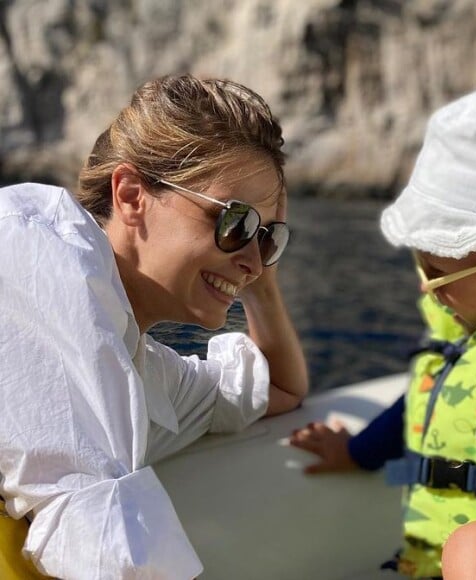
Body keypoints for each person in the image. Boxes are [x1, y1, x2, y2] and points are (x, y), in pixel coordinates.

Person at [0, 74, 308, 579]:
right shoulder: (36, 255)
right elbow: (110, 551)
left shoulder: (126, 361)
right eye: (235, 223)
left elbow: (277, 387)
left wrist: (260, 279)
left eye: (269, 237)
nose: (254, 258)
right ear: (131, 195)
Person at [290, 84, 476, 578]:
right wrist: (356, 452)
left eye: (435, 272)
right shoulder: (470, 345)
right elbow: (426, 409)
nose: (425, 289)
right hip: (426, 562)